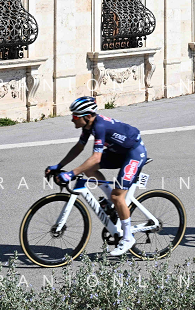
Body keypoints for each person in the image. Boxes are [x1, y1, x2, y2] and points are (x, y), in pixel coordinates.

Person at [46, 97, 147, 256]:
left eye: (75, 116)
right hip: (118, 152)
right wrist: (59, 166)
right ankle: (112, 204)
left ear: (87, 116)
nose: (72, 119)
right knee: (89, 170)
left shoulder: (99, 126)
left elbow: (96, 157)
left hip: (134, 154)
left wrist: (71, 173)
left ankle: (128, 238)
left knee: (118, 196)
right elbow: (79, 147)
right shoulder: (88, 126)